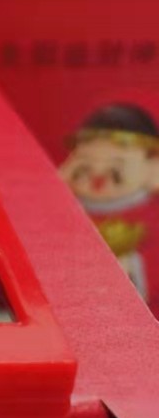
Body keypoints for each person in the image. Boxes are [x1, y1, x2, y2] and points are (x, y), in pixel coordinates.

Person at [60, 102, 159, 301]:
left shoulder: (152, 216)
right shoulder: (63, 210)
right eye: (85, 163)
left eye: (116, 167)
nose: (98, 174)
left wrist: (132, 265)